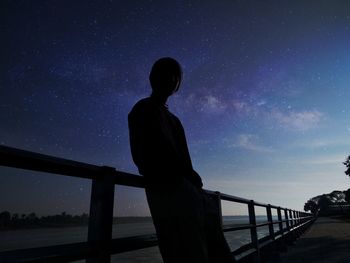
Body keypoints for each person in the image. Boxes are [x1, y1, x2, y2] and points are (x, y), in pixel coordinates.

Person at [128, 57, 233, 263]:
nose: (171, 79)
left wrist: (193, 184)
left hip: (188, 192)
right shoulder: (142, 109)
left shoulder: (175, 121)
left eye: (176, 76)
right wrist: (175, 178)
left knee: (209, 246)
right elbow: (142, 157)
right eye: (165, 73)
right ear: (152, 78)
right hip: (165, 191)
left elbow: (186, 162)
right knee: (182, 249)